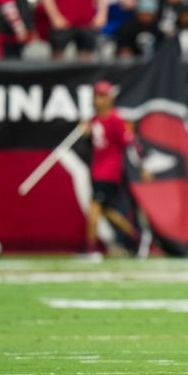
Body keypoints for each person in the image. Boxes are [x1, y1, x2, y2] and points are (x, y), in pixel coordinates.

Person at [77, 81, 140, 259]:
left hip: (109, 172)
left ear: (109, 98)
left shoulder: (115, 119)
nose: (99, 100)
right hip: (97, 171)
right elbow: (94, 144)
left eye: (102, 96)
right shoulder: (95, 120)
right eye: (97, 96)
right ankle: (135, 237)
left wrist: (129, 131)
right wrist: (86, 132)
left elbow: (127, 141)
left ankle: (90, 247)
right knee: (107, 211)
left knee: (95, 207)